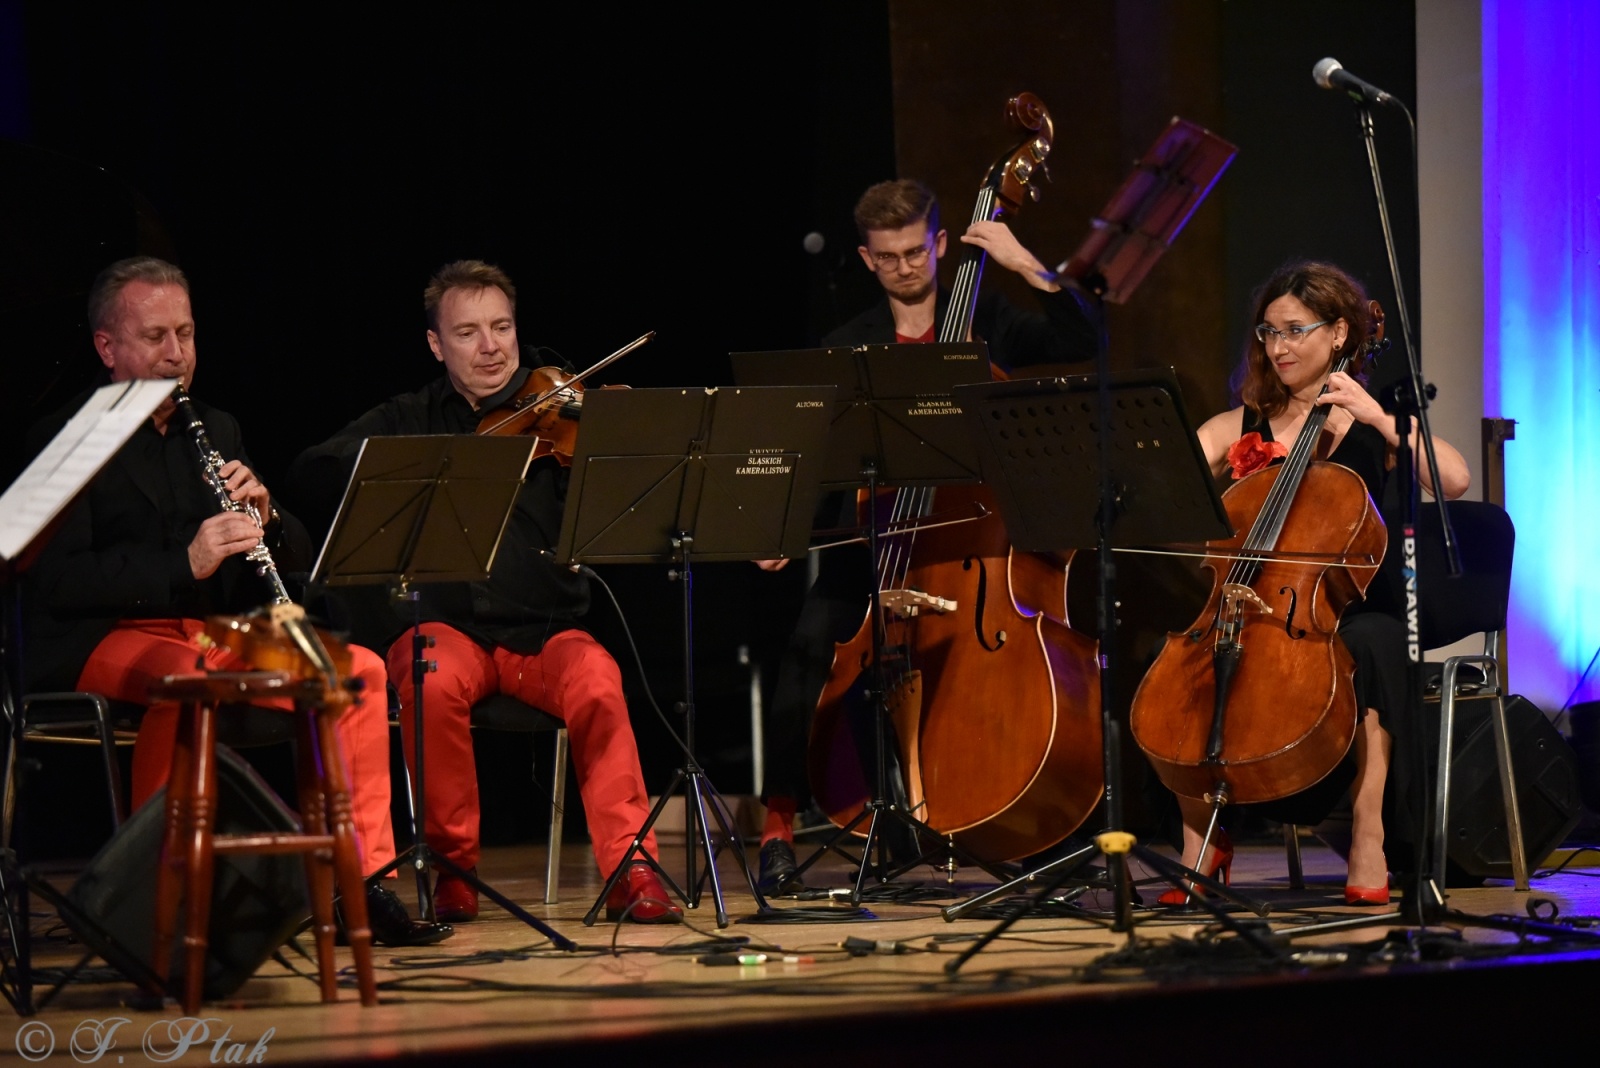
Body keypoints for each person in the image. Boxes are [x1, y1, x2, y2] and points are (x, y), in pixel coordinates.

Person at [22, 256, 448, 947]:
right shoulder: (67, 438)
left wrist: (270, 519)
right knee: (186, 683)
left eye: (185, 335)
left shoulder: (216, 428)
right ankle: (162, 901)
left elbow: (289, 564)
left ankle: (360, 886)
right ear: (107, 347)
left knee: (359, 672)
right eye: (155, 337)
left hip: (205, 631)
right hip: (97, 638)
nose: (176, 355)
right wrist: (183, 561)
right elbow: (56, 582)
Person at [288, 259, 679, 924]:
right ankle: (452, 870)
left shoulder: (561, 413)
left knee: (598, 678)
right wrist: (409, 464)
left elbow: (649, 501)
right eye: (468, 332)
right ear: (437, 345)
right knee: (428, 676)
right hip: (449, 631)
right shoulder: (408, 416)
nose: (492, 346)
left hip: (545, 631)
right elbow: (309, 473)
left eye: (502, 327)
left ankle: (632, 867)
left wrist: (625, 441)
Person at [754, 179, 1101, 893]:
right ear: (867, 258)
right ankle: (778, 830)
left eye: (917, 250)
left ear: (940, 244)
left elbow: (1082, 337)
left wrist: (1025, 262)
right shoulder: (846, 347)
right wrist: (785, 527)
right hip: (879, 556)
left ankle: (1025, 822)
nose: (906, 267)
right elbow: (821, 461)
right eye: (889, 257)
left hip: (971, 556)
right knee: (805, 654)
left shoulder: (990, 319)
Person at [1168, 259, 1470, 906]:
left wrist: (1380, 419)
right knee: (1179, 670)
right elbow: (1168, 489)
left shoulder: (1375, 421)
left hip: (1350, 610)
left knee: (1376, 647)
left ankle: (1369, 830)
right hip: (1251, 608)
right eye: (1267, 333)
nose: (1277, 347)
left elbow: (1454, 480)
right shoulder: (1238, 426)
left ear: (1339, 334)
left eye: (1294, 331)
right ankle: (1203, 839)